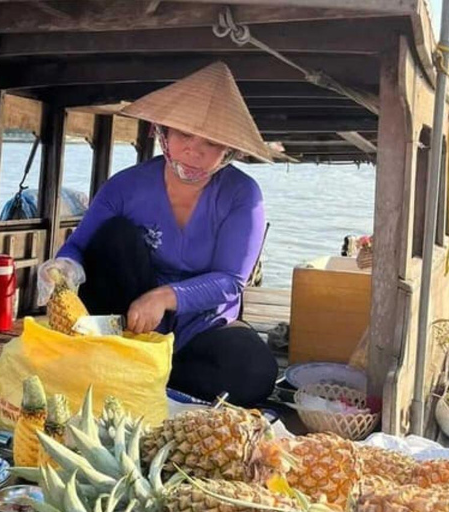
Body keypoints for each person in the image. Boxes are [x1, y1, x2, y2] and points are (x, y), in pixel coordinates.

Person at [37, 62, 278, 406]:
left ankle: (136, 369)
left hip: (201, 324)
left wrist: (164, 297)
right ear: (161, 132)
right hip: (132, 318)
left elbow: (231, 281)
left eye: (211, 143)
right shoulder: (125, 185)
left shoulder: (243, 194)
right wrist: (62, 270)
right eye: (183, 135)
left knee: (255, 372)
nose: (194, 151)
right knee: (115, 235)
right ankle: (125, 359)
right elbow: (79, 246)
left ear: (229, 150)